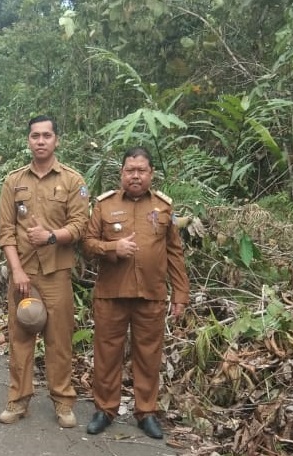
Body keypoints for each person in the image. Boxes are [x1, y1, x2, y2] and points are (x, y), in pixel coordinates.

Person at [82, 146, 189, 439]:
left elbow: (174, 254)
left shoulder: (164, 207)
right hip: (111, 295)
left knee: (148, 356)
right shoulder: (103, 205)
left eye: (141, 170)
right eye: (130, 170)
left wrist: (181, 294)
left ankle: (146, 412)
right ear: (121, 173)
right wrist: (111, 248)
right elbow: (88, 244)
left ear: (151, 173)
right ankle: (105, 409)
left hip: (151, 296)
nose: (136, 176)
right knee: (106, 355)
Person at [0, 115, 89, 427]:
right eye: (35, 135)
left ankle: (63, 402)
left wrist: (50, 236)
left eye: (46, 135)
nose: (40, 141)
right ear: (28, 140)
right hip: (24, 274)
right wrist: (17, 271)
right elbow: (6, 232)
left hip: (56, 273)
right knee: (20, 338)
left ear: (56, 140)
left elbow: (79, 226)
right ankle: (18, 399)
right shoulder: (13, 181)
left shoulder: (72, 181)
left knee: (59, 341)